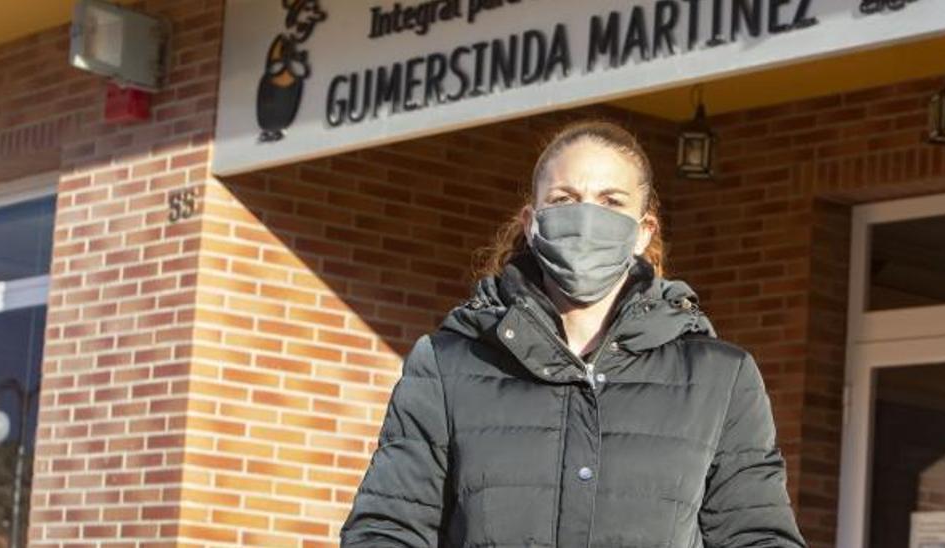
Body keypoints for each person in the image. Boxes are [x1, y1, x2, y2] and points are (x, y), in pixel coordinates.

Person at [338, 118, 808, 547]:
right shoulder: (448, 365)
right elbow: (387, 529)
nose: (587, 218)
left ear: (643, 230)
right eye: (564, 200)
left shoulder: (719, 380)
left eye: (611, 202)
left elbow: (758, 537)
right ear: (532, 222)